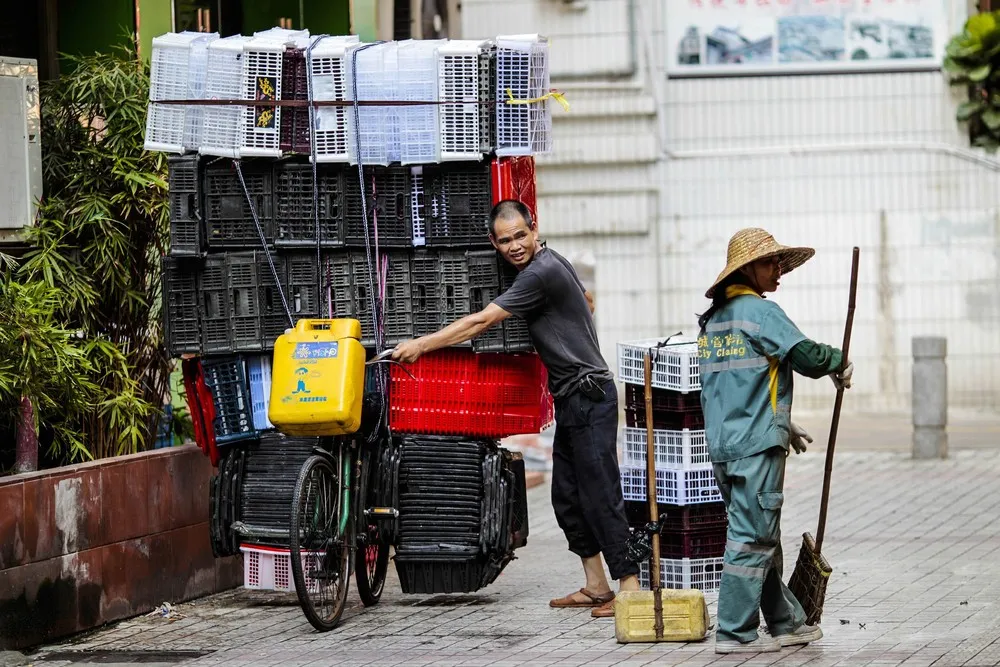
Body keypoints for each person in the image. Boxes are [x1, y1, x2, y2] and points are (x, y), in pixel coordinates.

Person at [392, 200, 639, 618]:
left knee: (601, 494)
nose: (514, 246)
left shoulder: (541, 272)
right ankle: (597, 585)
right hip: (572, 398)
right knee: (566, 497)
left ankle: (630, 586)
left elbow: (480, 323)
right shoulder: (549, 263)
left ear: (534, 229)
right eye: (505, 240)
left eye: (520, 236)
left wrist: (421, 345)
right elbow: (587, 301)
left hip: (590, 394)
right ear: (494, 242)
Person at [697, 228, 854, 654]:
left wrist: (786, 423)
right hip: (755, 448)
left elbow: (735, 388)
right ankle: (734, 633)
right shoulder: (760, 313)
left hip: (725, 448)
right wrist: (838, 360)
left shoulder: (714, 321)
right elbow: (807, 357)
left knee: (759, 533)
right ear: (748, 269)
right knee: (751, 539)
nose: (779, 271)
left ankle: (786, 622)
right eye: (771, 263)